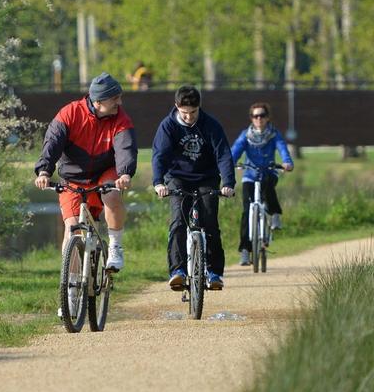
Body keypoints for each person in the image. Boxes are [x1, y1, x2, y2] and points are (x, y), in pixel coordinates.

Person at [34, 72, 136, 273]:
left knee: (113, 195)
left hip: (104, 172)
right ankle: (70, 291)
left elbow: (126, 147)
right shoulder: (69, 114)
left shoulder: (120, 118)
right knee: (72, 232)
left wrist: (124, 173)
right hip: (73, 177)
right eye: (115, 98)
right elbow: (52, 143)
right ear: (98, 101)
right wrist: (44, 171)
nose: (120, 102)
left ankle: (115, 246)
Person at [152, 85, 236, 291]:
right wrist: (158, 182)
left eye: (193, 112)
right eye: (184, 113)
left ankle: (214, 272)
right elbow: (159, 155)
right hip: (178, 178)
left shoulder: (211, 125)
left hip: (206, 178)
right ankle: (178, 271)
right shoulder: (168, 126)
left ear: (199, 107)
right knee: (178, 222)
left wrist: (228, 183)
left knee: (210, 223)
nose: (189, 117)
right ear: (176, 107)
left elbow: (223, 154)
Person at [230, 102, 294, 266]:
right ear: (251, 118)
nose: (259, 119)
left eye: (262, 115)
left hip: (269, 171)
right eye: (255, 116)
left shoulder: (274, 134)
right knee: (246, 211)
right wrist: (230, 163)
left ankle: (275, 213)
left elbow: (282, 149)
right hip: (249, 175)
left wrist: (286, 162)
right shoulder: (245, 135)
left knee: (268, 185)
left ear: (267, 117)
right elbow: (236, 150)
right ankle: (245, 251)